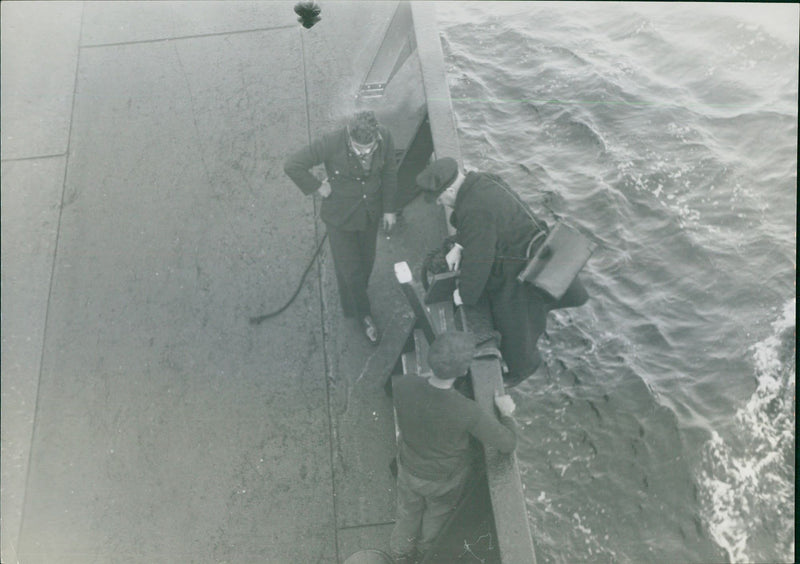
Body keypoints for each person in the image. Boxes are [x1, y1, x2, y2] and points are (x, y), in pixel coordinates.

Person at [416, 157, 589, 386]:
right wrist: (459, 245)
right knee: (538, 302)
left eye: (439, 198)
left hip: (524, 265)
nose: (440, 203)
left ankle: (523, 367)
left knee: (511, 319)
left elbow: (479, 261)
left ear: (449, 190)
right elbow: (486, 225)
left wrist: (464, 296)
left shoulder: (474, 210)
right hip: (539, 249)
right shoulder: (484, 180)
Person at [390, 330, 517, 562]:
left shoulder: (403, 385)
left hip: (409, 468)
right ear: (464, 371)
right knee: (436, 515)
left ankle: (400, 553)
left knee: (407, 511)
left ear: (431, 357)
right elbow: (507, 443)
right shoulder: (467, 411)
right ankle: (424, 552)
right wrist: (507, 414)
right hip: (443, 480)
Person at [284, 111, 397, 343]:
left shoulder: (385, 136)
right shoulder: (331, 142)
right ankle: (362, 314)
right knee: (351, 271)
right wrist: (318, 187)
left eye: (369, 148)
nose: (365, 153)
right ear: (348, 135)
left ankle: (353, 299)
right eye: (359, 149)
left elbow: (389, 172)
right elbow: (293, 164)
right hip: (340, 218)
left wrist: (389, 209)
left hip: (370, 214)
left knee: (366, 263)